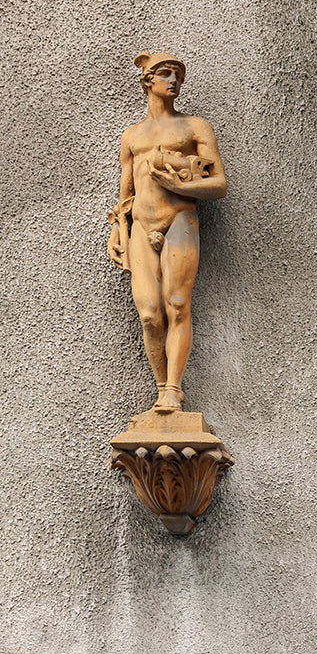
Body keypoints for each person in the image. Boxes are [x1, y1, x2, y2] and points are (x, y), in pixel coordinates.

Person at [108, 52, 227, 413]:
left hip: (179, 220)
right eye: (165, 74)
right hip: (142, 226)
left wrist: (178, 184)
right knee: (148, 314)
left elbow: (219, 183)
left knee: (176, 304)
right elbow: (125, 194)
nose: (173, 80)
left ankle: (172, 391)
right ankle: (161, 385)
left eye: (177, 74)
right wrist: (118, 229)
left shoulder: (194, 128)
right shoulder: (131, 136)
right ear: (148, 80)